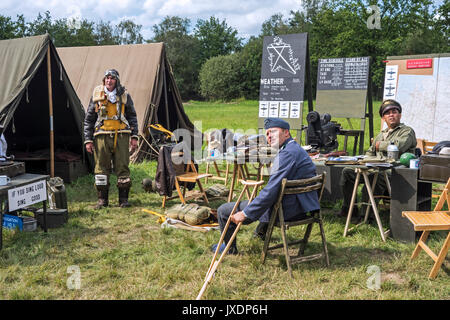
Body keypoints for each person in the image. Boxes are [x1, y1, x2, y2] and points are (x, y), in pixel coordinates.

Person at [212, 118, 320, 254]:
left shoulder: (287, 154)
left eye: (273, 132)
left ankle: (229, 249)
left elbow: (271, 191)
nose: (269, 136)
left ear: (286, 133)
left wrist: (245, 213)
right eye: (267, 133)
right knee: (263, 199)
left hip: (287, 211)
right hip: (302, 206)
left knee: (223, 210)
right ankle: (261, 232)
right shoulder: (295, 149)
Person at [338, 99, 417, 218]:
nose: (391, 114)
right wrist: (364, 161)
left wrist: (380, 145)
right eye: (387, 113)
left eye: (394, 111)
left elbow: (399, 146)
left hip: (397, 171)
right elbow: (370, 152)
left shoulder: (407, 131)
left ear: (399, 115)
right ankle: (349, 207)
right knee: (347, 172)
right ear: (383, 118)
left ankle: (367, 215)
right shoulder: (381, 134)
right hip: (375, 167)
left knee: (375, 177)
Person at [84, 69, 139, 209]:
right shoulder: (97, 96)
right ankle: (102, 201)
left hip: (121, 135)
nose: (109, 81)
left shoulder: (125, 96)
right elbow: (89, 119)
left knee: (123, 167)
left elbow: (132, 116)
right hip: (101, 136)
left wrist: (134, 137)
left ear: (117, 80)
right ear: (104, 80)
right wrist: (88, 140)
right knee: (101, 168)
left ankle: (123, 200)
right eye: (107, 78)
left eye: (112, 78)